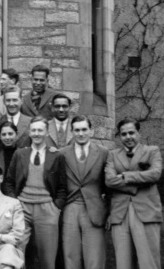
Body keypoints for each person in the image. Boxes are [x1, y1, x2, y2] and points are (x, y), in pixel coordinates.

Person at [3, 116, 66, 269]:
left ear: (46, 132)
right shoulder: (20, 154)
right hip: (22, 208)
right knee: (18, 252)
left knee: (47, 257)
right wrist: (15, 203)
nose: (37, 133)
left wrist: (56, 208)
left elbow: (62, 187)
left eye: (40, 130)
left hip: (47, 209)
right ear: (29, 132)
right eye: (34, 130)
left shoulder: (56, 156)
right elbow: (9, 182)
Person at [105, 118, 162, 269]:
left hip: (146, 212)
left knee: (148, 262)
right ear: (119, 136)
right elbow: (109, 180)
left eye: (131, 132)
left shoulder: (152, 151)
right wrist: (138, 183)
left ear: (139, 133)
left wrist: (125, 176)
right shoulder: (113, 155)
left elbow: (155, 174)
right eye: (124, 134)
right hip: (120, 213)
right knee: (123, 263)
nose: (128, 137)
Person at [58, 115, 108, 269]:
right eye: (77, 130)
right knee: (71, 255)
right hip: (70, 206)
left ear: (91, 131)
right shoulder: (62, 153)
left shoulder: (103, 152)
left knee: (94, 256)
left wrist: (108, 209)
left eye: (84, 129)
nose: (81, 133)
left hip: (94, 207)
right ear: (72, 132)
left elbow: (108, 184)